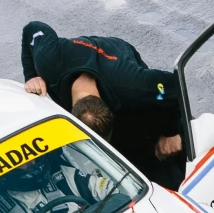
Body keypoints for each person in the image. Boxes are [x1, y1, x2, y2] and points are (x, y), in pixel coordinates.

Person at [18, 20, 187, 188]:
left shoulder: (133, 87)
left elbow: (172, 86)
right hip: (83, 55)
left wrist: (170, 132)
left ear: (110, 110)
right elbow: (33, 29)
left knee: (152, 137)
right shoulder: (47, 59)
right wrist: (31, 75)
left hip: (117, 55)